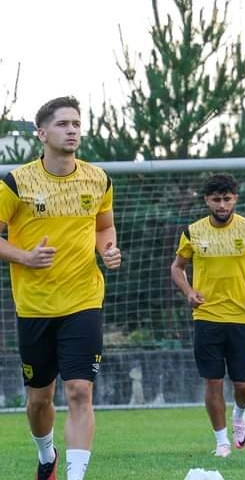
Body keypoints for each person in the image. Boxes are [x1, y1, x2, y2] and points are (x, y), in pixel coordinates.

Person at [0, 96, 122, 480]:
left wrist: (107, 249)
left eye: (76, 124)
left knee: (80, 391)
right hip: (35, 305)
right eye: (63, 124)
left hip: (84, 299)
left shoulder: (98, 179)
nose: (72, 130)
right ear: (42, 133)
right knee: (40, 400)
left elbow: (104, 226)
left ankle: (75, 476)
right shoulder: (15, 182)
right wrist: (24, 257)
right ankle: (46, 454)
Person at [170, 173, 245, 458]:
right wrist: (188, 292)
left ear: (235, 199)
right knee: (213, 381)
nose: (222, 205)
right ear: (207, 200)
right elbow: (177, 267)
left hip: (242, 317)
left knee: (244, 385)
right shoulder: (193, 232)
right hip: (207, 316)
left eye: (227, 199)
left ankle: (239, 414)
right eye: (216, 199)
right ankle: (221, 442)